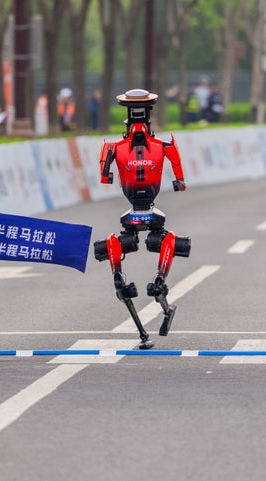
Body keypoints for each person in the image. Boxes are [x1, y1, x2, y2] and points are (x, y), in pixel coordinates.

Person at [94, 88, 189, 349]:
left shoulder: (113, 148)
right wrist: (179, 181)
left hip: (131, 212)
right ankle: (160, 282)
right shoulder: (164, 146)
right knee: (168, 239)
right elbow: (179, 178)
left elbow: (104, 176)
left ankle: (119, 276)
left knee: (114, 242)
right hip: (152, 211)